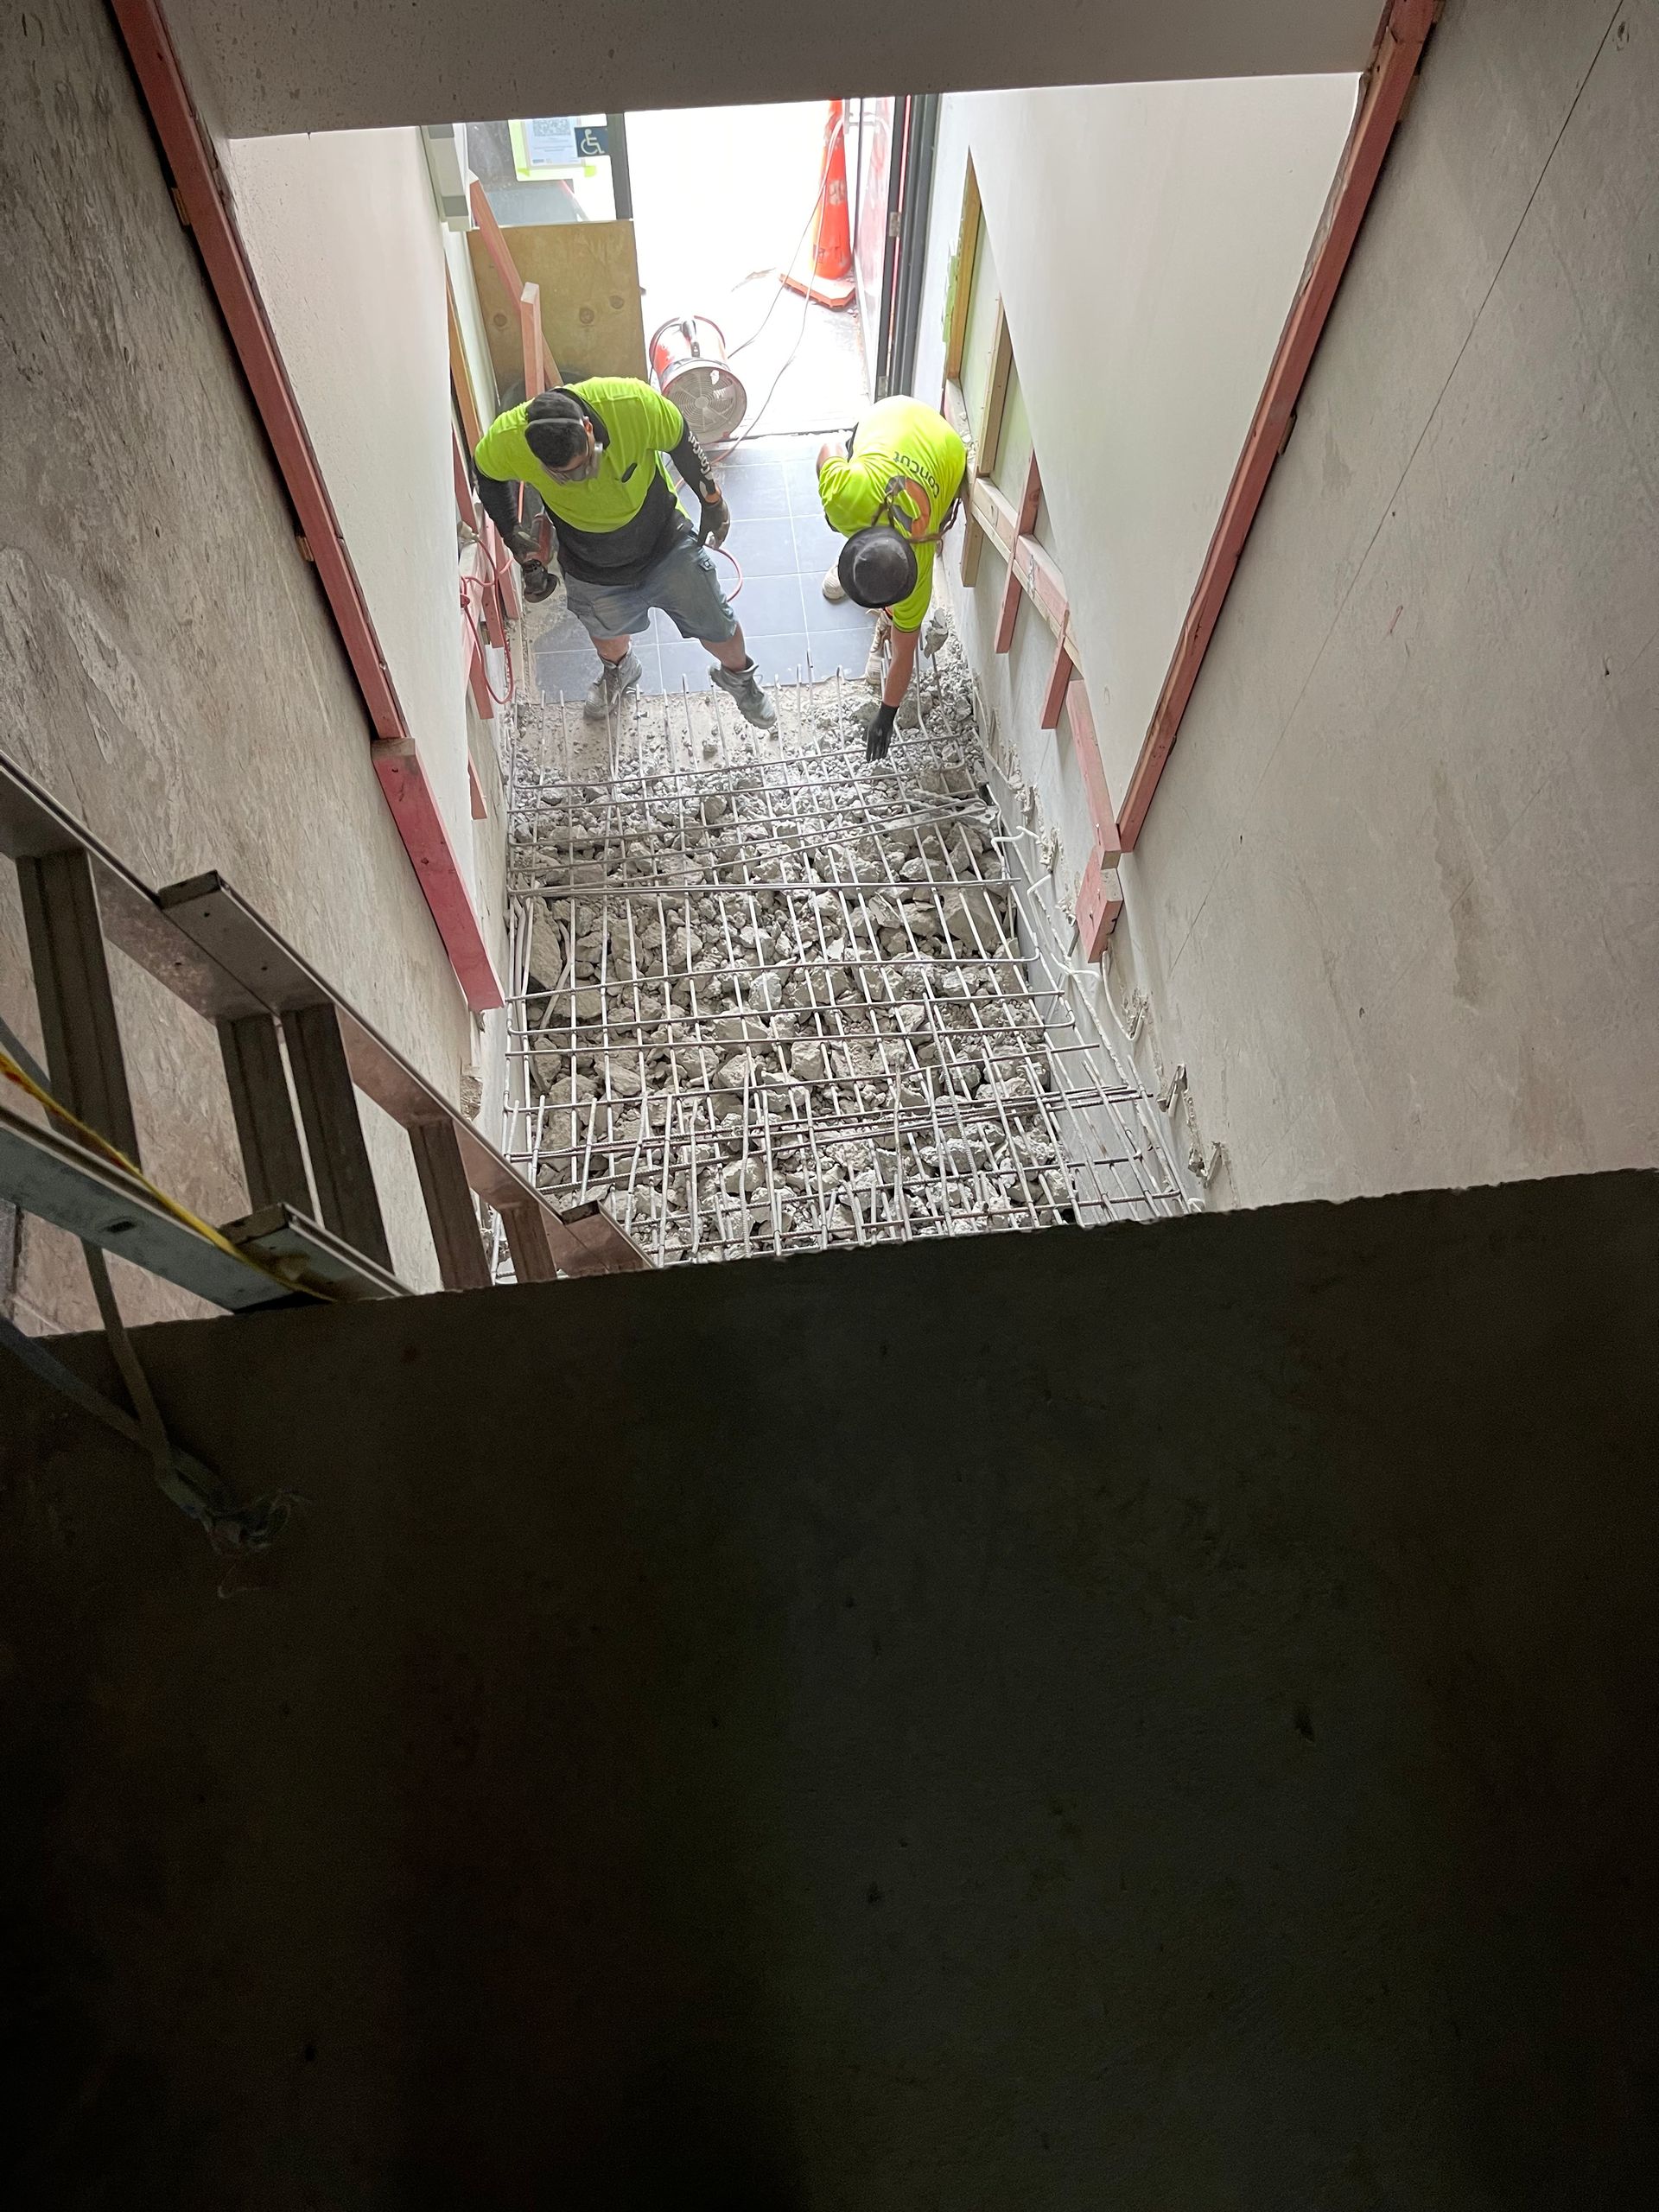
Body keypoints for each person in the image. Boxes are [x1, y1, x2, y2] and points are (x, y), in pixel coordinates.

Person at [474, 378, 776, 728]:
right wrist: (513, 533)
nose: (579, 478)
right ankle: (620, 670)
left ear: (588, 428)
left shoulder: (631, 405)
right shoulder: (508, 440)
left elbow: (681, 439)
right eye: (563, 474)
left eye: (583, 463)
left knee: (717, 624)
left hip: (663, 541)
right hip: (589, 560)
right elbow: (486, 474)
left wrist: (713, 501)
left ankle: (740, 680)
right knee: (606, 636)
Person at [816, 396, 966, 758]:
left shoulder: (920, 572)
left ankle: (883, 619)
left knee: (900, 620)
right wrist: (848, 452)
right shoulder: (843, 495)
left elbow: (904, 653)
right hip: (889, 414)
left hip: (946, 448)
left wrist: (887, 712)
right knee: (836, 516)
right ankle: (857, 569)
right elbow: (829, 447)